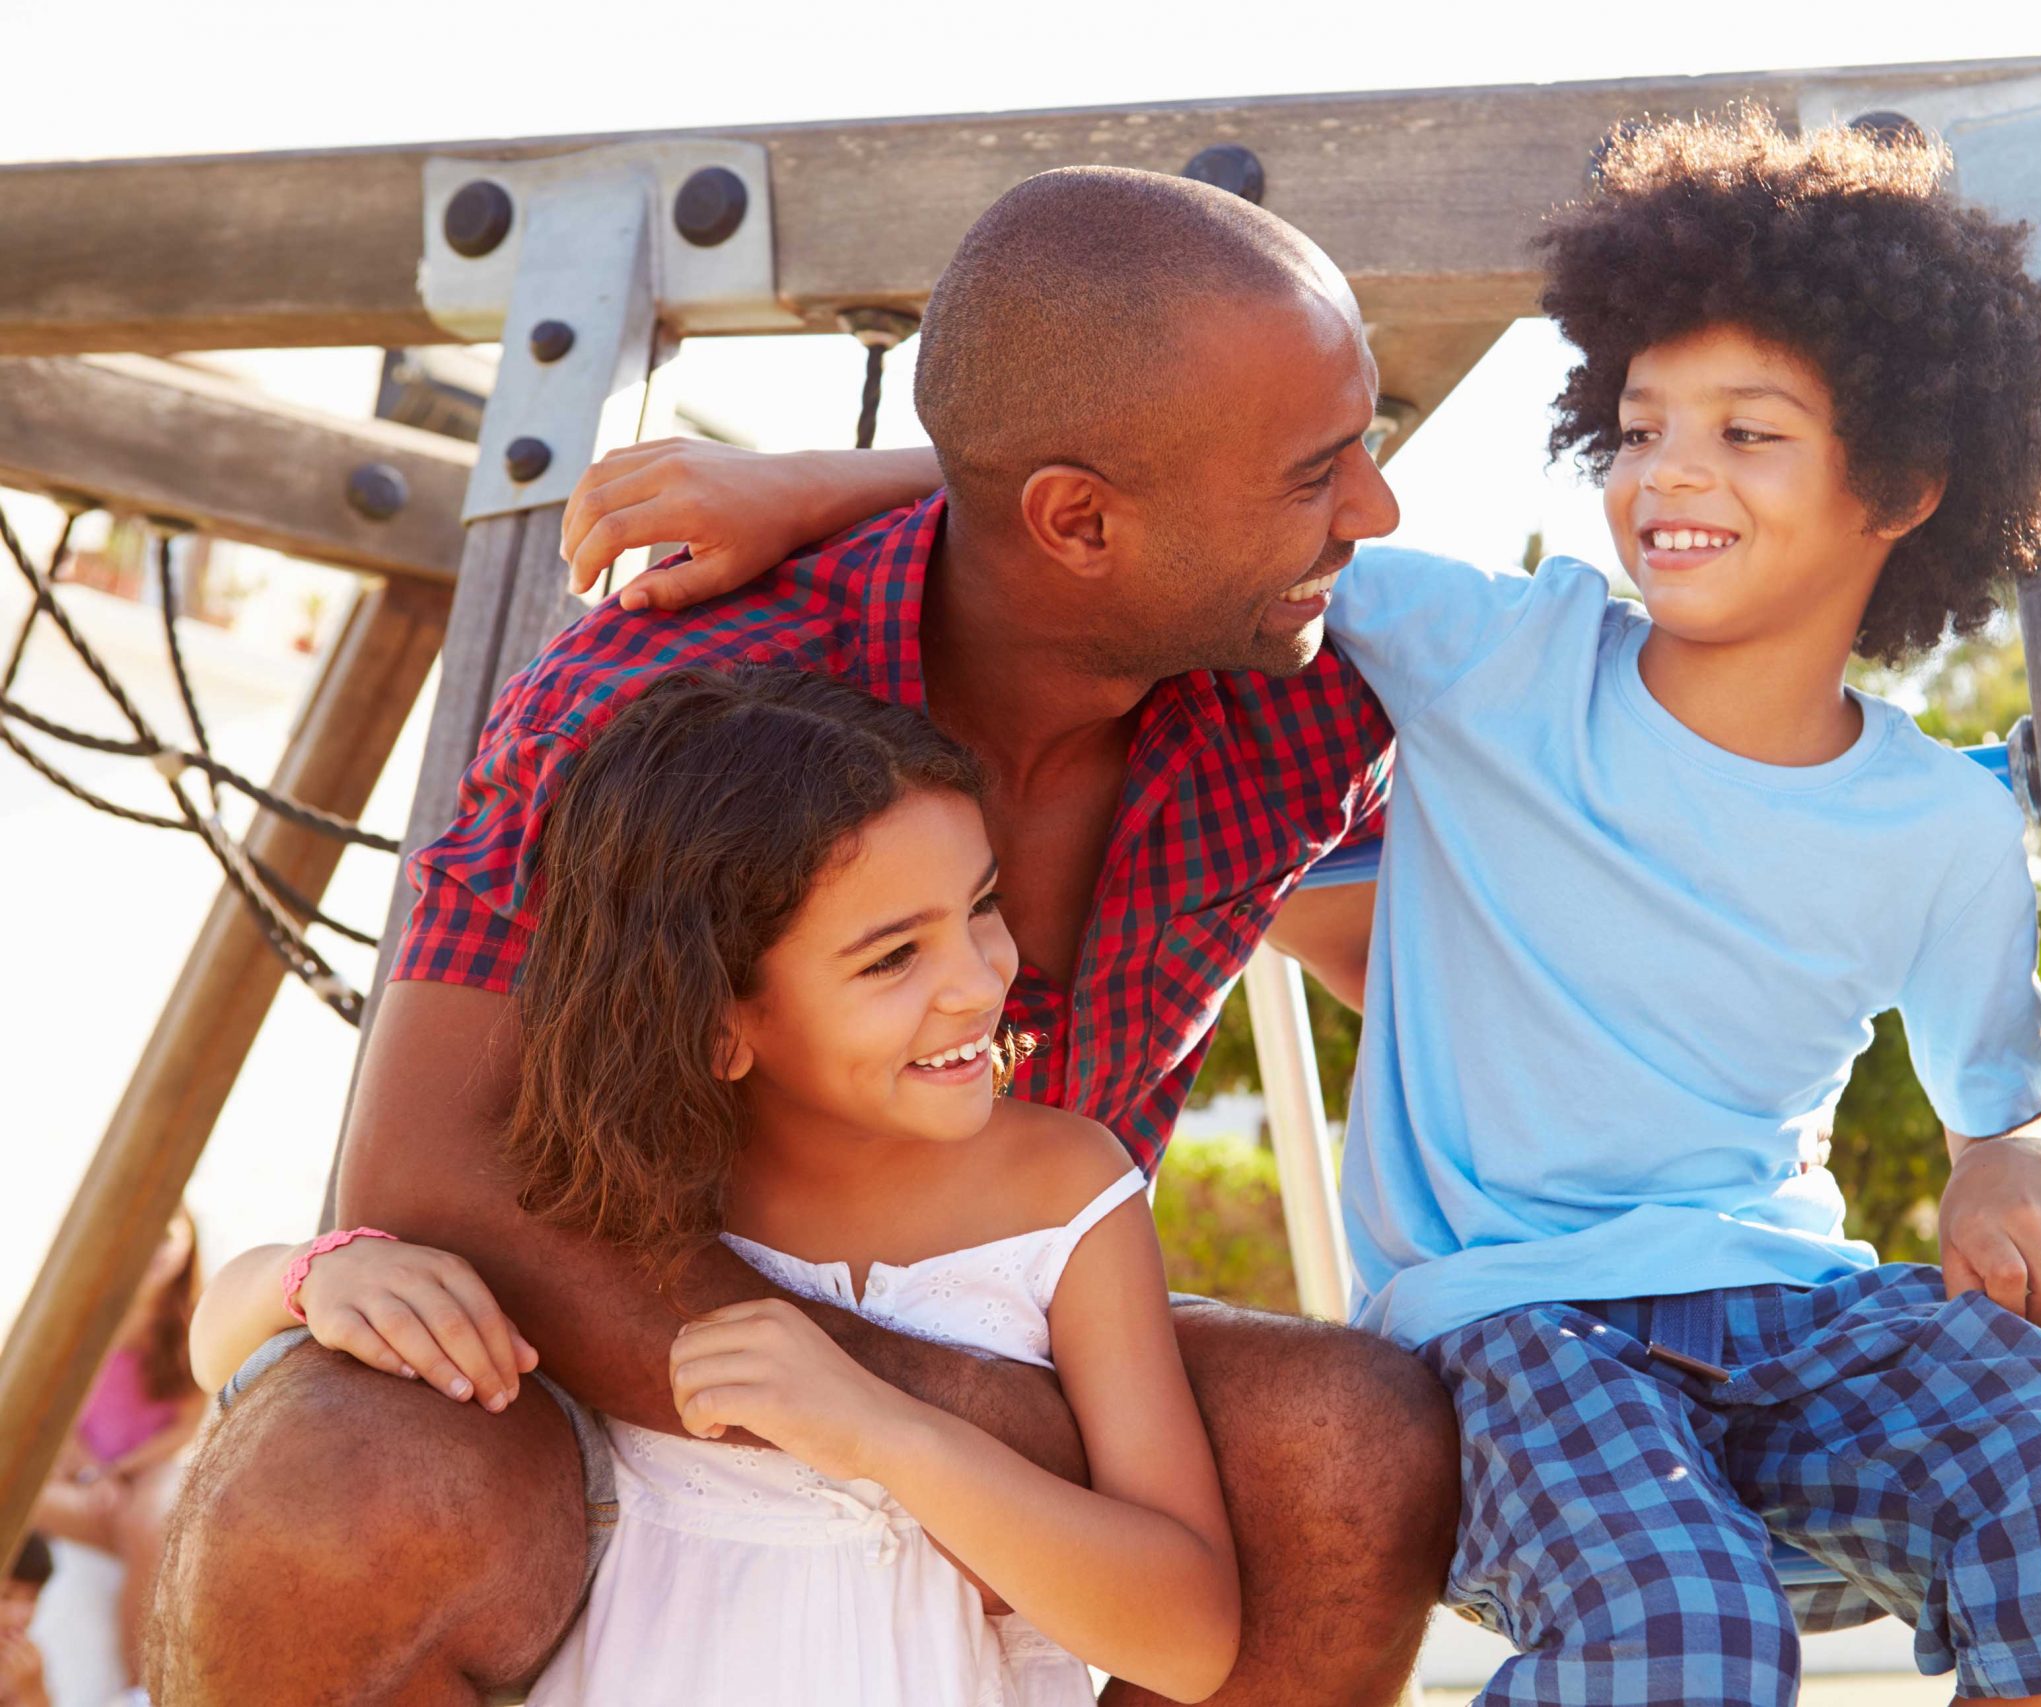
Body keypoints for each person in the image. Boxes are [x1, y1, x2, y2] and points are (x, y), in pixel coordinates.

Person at [588, 114, 2041, 1704]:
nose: (1673, 472)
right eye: (1646, 424)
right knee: (1681, 1620)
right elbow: (1110, 500)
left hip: (1788, 1297)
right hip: (1512, 1328)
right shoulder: (1497, 656)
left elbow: (2007, 1084)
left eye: (1749, 432)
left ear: (1902, 491)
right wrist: (804, 478)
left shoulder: (1945, 822)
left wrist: (2008, 1155)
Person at [151, 167, 1452, 1707]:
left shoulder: (1305, 685)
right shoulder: (673, 687)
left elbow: (1690, 638)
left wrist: (851, 471)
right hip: (617, 1380)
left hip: (1042, 1395)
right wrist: (973, 1422)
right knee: (337, 1471)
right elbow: (424, 1178)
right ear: (1077, 517)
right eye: (1317, 472)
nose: (1374, 507)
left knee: (1352, 1446)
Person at [189, 667, 1239, 1704]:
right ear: (717, 1024)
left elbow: (1188, 1641)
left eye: (981, 906)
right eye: (891, 960)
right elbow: (218, 1352)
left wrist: (886, 1433)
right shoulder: (621, 1197)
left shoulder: (1066, 1189)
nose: (976, 980)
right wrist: (312, 1274)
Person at [30, 1210, 202, 1683]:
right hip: (81, 1463)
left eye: (166, 1234)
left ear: (188, 1241)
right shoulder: (86, 1312)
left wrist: (120, 1473)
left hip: (152, 1466)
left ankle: (140, 1682)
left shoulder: (193, 1318)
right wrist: (88, 1472)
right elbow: (62, 1410)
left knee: (147, 1523)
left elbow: (188, 1423)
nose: (155, 1247)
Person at [1, 1537, 55, 1707]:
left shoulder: (26, 1668)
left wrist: (33, 1695)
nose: (21, 1615)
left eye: (32, 1598)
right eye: (5, 1596)